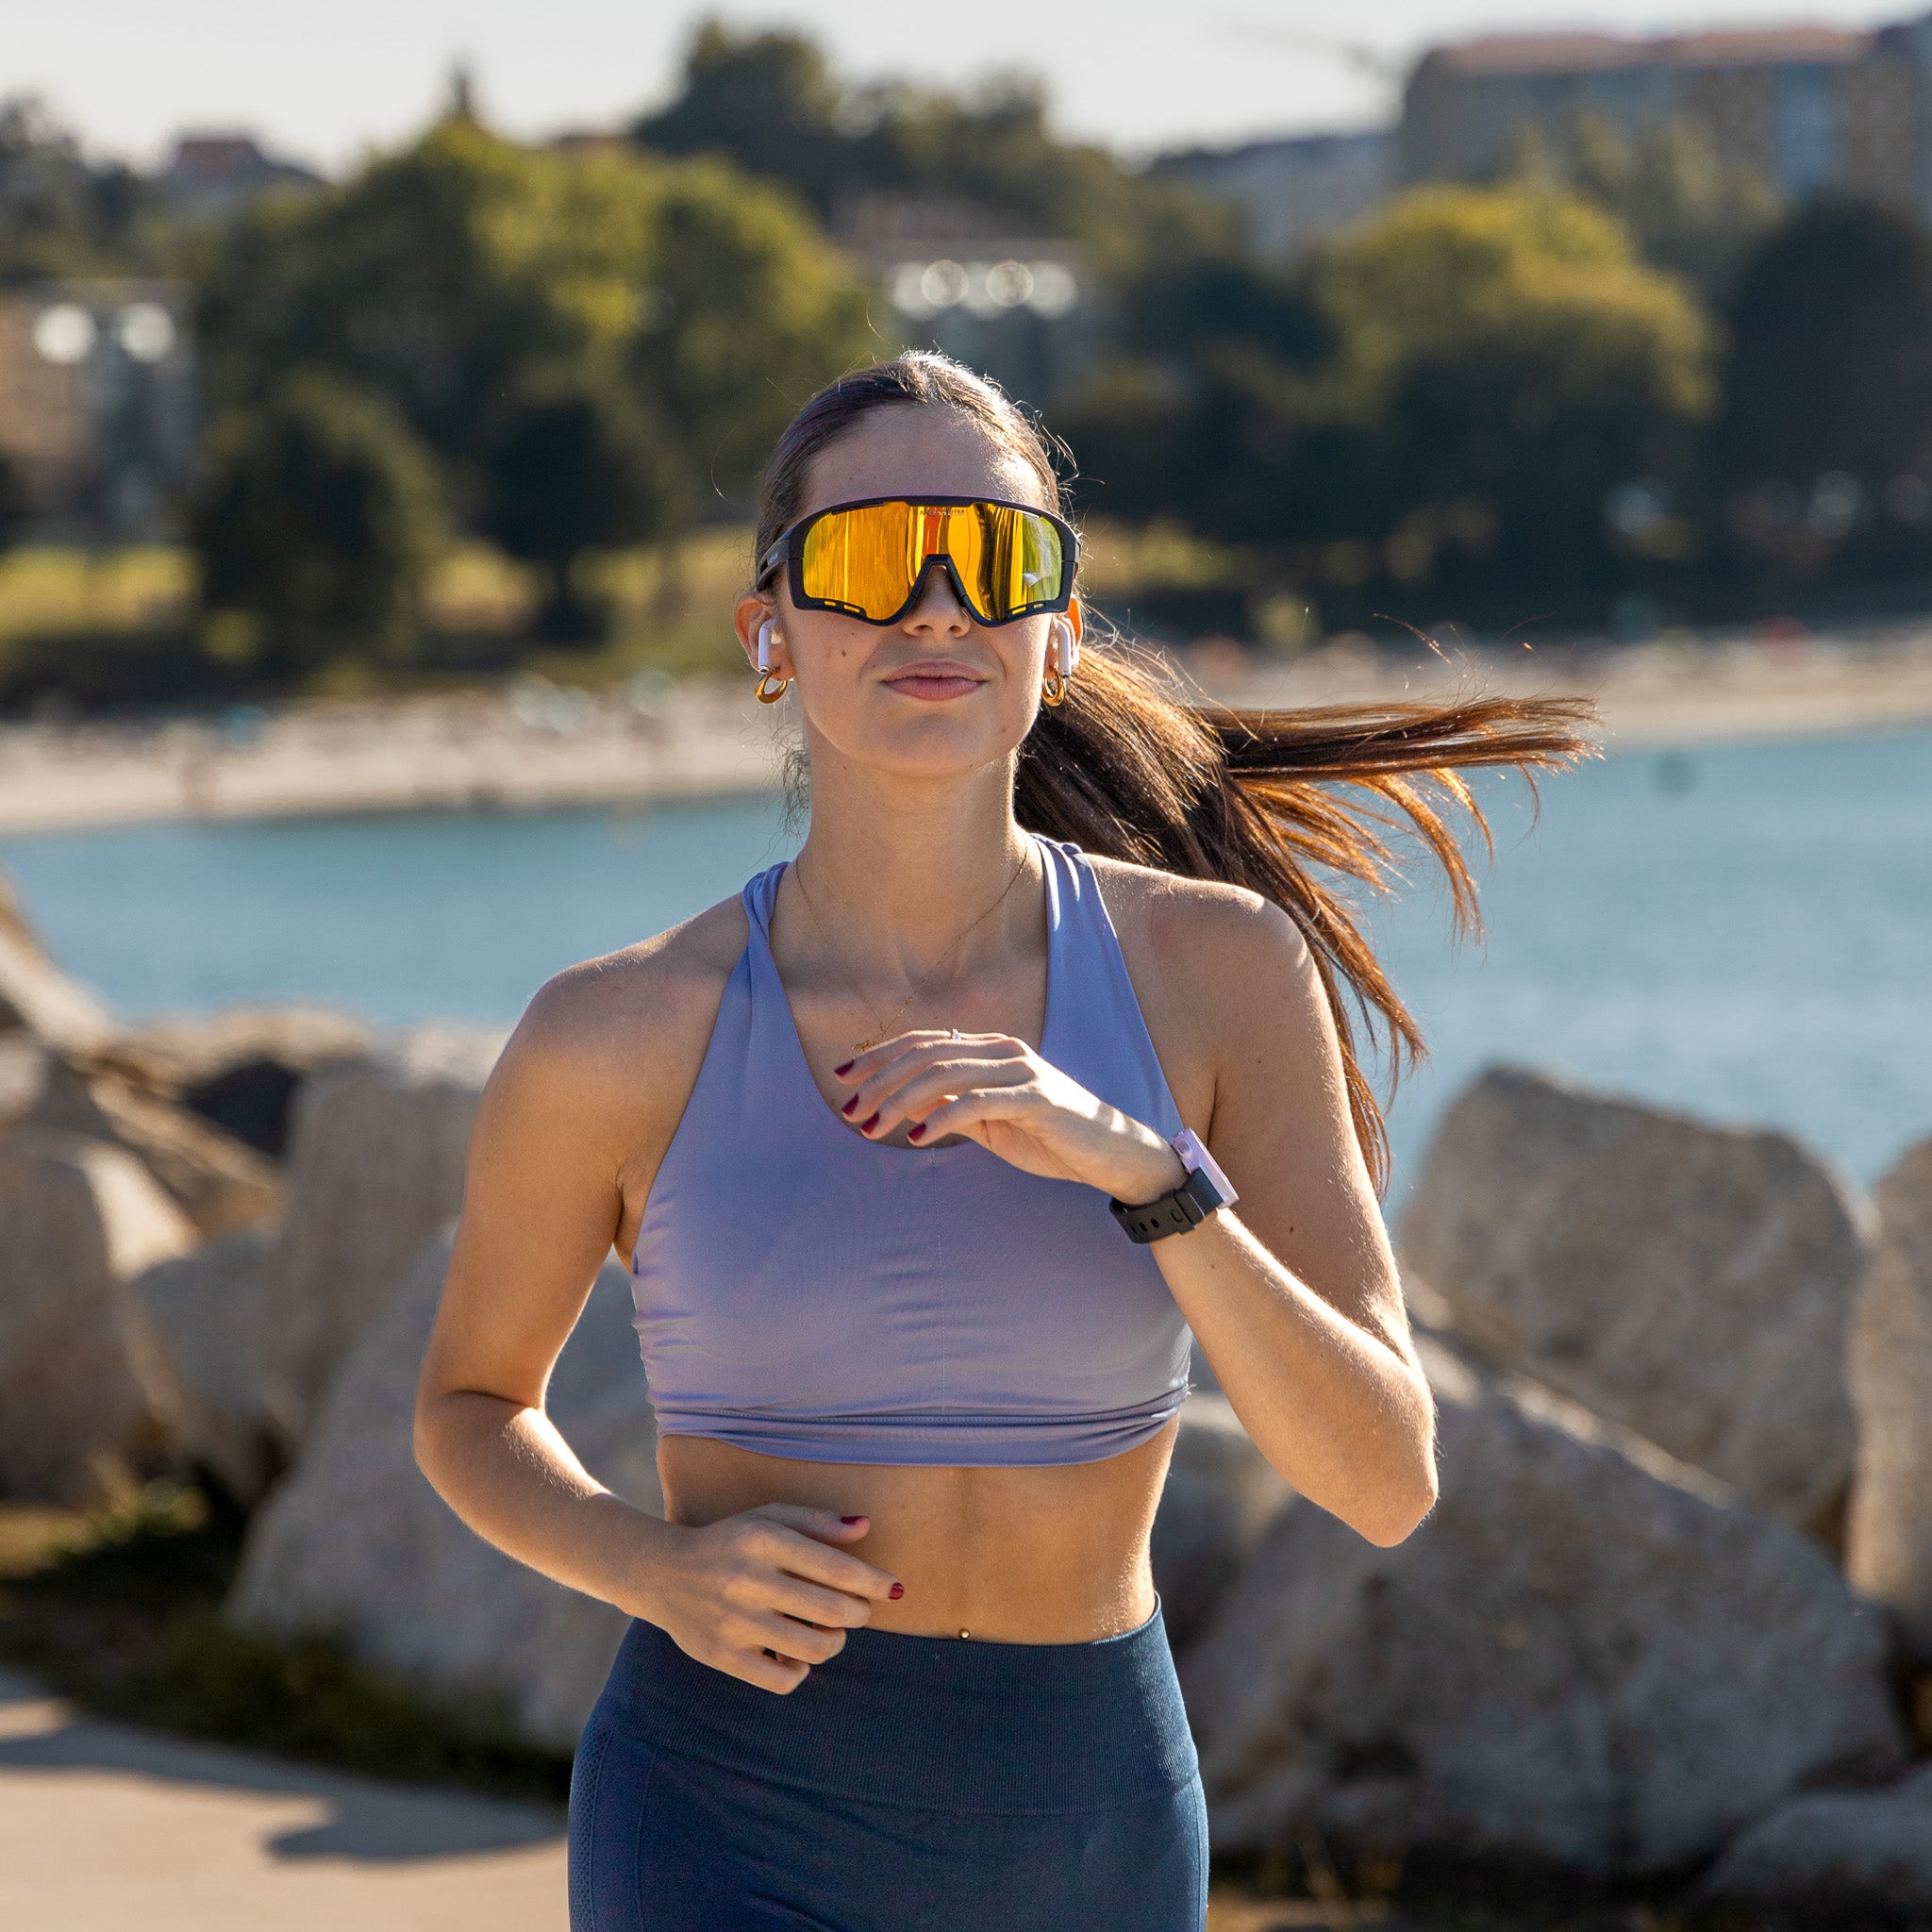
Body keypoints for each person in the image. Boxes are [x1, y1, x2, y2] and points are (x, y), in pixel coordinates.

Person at [413, 351, 1593, 1931]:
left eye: (996, 557)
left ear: (1062, 632)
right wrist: (647, 1567)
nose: (937, 605)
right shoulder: (617, 1029)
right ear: (768, 632)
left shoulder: (1218, 974)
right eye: (870, 557)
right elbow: (471, 1406)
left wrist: (1152, 1176)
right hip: (724, 1812)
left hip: (1088, 1817)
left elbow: (1384, 1478)